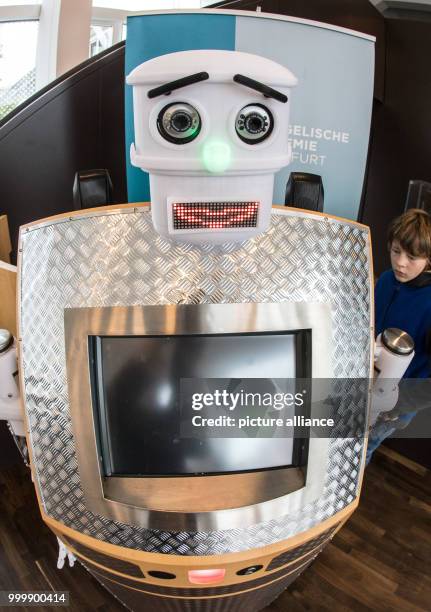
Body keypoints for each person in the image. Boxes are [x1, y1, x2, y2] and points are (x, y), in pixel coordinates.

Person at [367, 208, 431, 462]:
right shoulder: (384, 280)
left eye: (412, 257)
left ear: (428, 259)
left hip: (393, 406)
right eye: (396, 251)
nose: (400, 263)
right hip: (364, 385)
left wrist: (399, 404)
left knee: (362, 451)